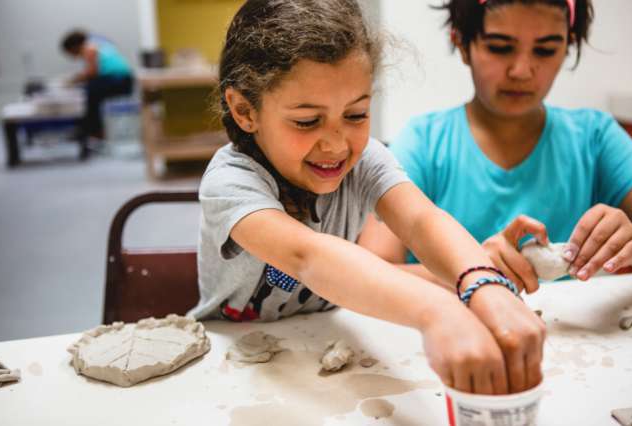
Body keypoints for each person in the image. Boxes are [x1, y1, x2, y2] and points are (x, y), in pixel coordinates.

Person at [188, 0, 545, 395]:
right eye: (307, 121)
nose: (337, 144)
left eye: (356, 114)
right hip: (231, 360)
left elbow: (420, 220)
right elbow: (308, 256)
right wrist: (438, 311)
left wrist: (482, 281)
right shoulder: (229, 182)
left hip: (321, 343)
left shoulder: (363, 159)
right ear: (244, 110)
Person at [359, 0, 632, 293]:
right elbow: (369, 272)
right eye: (500, 47)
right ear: (462, 43)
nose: (521, 71)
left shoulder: (596, 138)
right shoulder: (423, 145)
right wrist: (472, 270)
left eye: (545, 50)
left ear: (569, 44)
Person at [61, 30, 133, 150]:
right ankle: (93, 130)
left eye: (70, 52)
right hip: (121, 80)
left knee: (88, 97)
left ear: (73, 47)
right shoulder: (97, 44)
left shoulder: (89, 49)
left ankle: (94, 133)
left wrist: (71, 81)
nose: (72, 56)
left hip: (118, 80)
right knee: (89, 92)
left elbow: (92, 72)